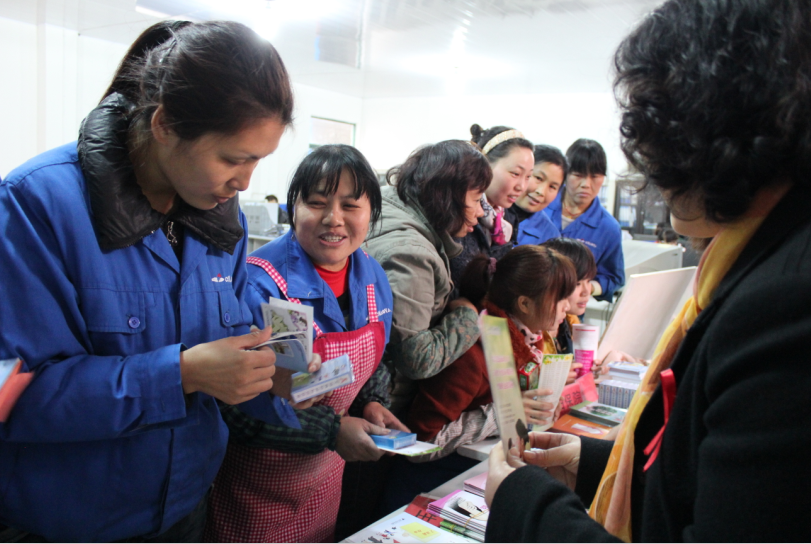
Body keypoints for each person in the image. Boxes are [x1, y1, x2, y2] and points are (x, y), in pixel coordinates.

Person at [484, 0, 811, 541]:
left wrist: (525, 506)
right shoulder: (762, 255)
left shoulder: (783, 302)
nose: (653, 177)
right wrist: (590, 463)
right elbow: (700, 477)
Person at [0, 20, 297, 542]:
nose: (244, 183)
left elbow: (235, 337)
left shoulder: (222, 219)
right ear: (164, 125)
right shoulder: (37, 206)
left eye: (259, 162)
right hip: (70, 523)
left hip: (186, 509)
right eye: (233, 158)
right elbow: (16, 395)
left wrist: (276, 372)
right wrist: (179, 374)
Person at [206, 145, 403, 543]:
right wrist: (332, 431)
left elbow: (373, 361)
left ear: (371, 213)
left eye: (351, 205)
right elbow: (235, 407)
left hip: (325, 479)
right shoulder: (262, 285)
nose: (334, 220)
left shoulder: (373, 278)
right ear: (293, 208)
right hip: (256, 486)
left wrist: (371, 401)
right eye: (316, 203)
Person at [406, 246, 576, 461]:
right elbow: (419, 445)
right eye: (560, 299)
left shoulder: (530, 341)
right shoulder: (472, 354)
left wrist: (536, 411)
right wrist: (504, 414)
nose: (567, 308)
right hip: (442, 478)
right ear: (524, 303)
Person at [364, 140, 492, 415]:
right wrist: (467, 316)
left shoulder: (389, 204)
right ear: (448, 194)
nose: (482, 212)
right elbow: (417, 359)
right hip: (385, 408)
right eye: (477, 199)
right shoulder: (412, 254)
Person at [449, 125, 534, 288]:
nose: (522, 186)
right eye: (515, 174)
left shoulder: (507, 218)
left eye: (528, 176)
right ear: (485, 166)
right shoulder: (460, 213)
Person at [541, 139, 625, 301]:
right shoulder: (540, 205)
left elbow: (614, 278)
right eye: (578, 175)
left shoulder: (608, 228)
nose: (586, 184)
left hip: (569, 316)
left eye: (595, 176)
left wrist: (584, 288)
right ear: (565, 175)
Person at [509, 144, 568, 243]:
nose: (541, 192)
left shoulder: (550, 237)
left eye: (552, 187)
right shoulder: (485, 211)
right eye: (539, 178)